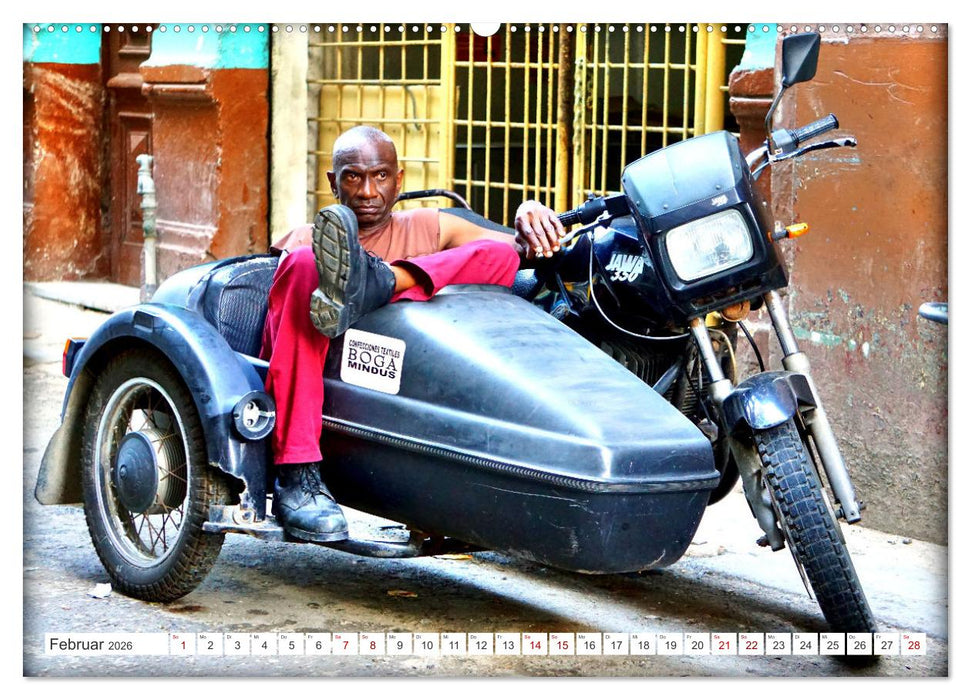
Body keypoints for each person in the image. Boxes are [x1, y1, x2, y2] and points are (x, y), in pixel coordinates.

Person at [260, 125, 565, 543]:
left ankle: (383, 280)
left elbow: (515, 249)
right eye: (353, 176)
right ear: (334, 183)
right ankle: (297, 478)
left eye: (380, 176)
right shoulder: (306, 240)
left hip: (398, 375)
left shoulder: (427, 226)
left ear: (399, 180)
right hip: (320, 375)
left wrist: (530, 213)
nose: (368, 191)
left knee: (495, 255)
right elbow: (277, 334)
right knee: (302, 264)